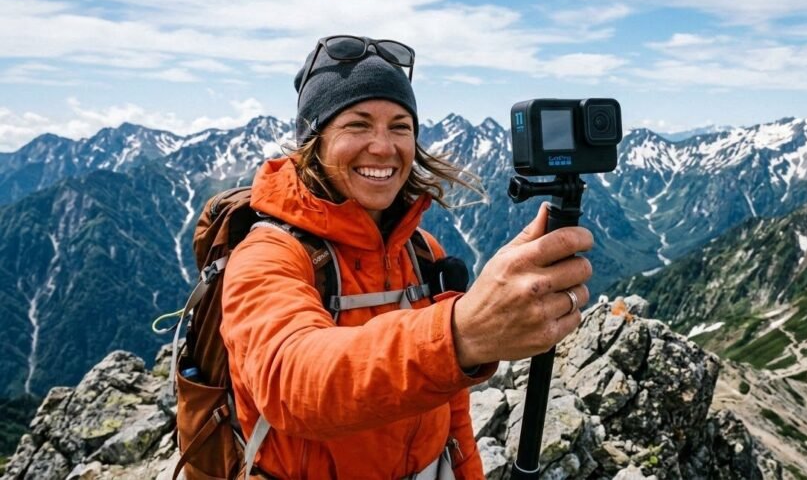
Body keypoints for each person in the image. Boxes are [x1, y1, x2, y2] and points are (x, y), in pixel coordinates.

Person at [221, 35, 593, 478]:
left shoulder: (419, 251)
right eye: (358, 125)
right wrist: (459, 333)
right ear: (314, 142)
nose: (383, 146)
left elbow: (451, 408)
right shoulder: (269, 253)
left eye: (400, 127)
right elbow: (290, 379)